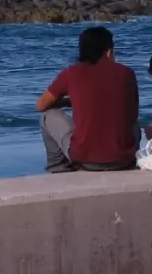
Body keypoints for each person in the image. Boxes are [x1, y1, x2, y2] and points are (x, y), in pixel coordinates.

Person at [36, 27, 140, 173]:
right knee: (133, 121)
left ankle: (59, 168)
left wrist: (67, 101)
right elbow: (132, 113)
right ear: (109, 52)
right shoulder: (127, 73)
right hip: (124, 159)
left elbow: (40, 105)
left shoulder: (71, 73)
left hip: (86, 159)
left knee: (47, 117)